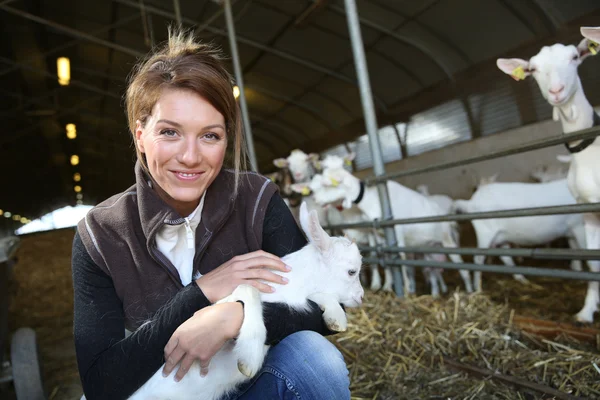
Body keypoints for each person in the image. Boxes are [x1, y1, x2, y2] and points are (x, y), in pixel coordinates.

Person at [72, 29, 350, 400]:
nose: (190, 157)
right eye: (170, 133)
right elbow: (101, 383)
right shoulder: (101, 233)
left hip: (252, 382)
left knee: (316, 360)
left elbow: (326, 304)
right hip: (174, 392)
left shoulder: (256, 199)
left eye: (210, 136)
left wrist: (236, 317)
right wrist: (199, 295)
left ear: (226, 138)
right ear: (140, 135)